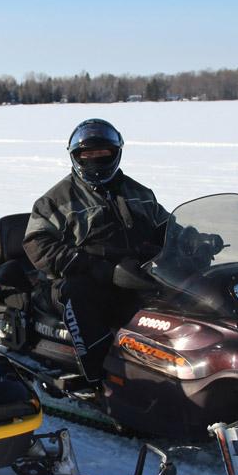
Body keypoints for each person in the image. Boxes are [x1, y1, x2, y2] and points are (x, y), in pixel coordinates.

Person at [22, 119, 171, 384]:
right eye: (86, 155)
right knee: (79, 293)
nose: (94, 160)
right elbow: (38, 245)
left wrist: (195, 239)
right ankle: (98, 377)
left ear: (115, 153)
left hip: (132, 273)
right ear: (75, 156)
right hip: (81, 277)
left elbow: (166, 227)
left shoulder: (139, 193)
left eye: (102, 154)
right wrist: (95, 267)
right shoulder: (56, 200)